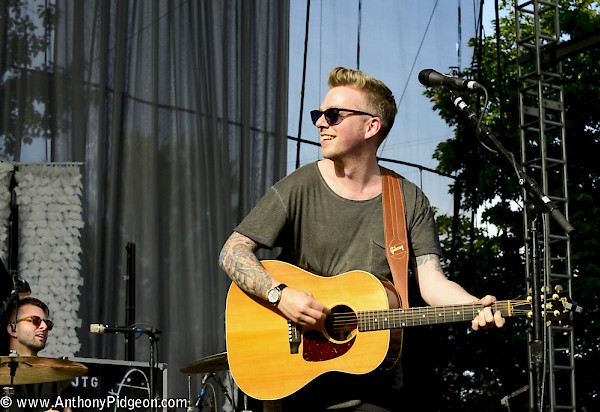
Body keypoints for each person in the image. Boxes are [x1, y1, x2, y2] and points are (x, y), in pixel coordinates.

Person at [219, 66, 505, 411]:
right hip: (298, 381)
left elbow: (432, 282)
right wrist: (280, 296)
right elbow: (233, 251)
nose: (320, 123)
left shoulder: (407, 199)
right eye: (318, 115)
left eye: (333, 115)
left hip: (374, 382)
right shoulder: (299, 186)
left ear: (371, 127)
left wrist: (473, 306)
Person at [2, 297, 72, 412]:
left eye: (47, 323)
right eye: (35, 320)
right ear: (13, 329)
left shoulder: (53, 377)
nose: (44, 327)